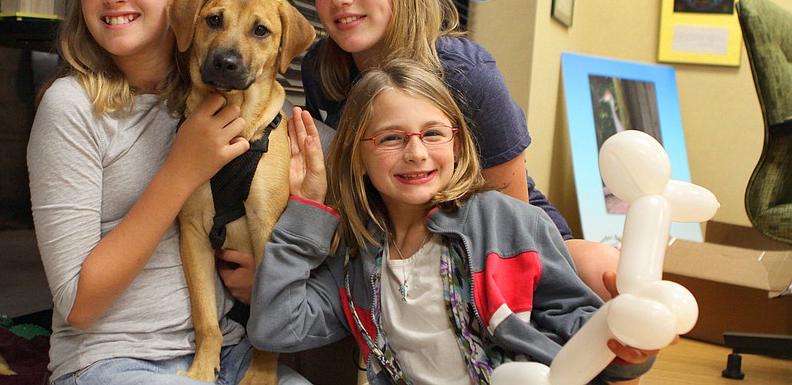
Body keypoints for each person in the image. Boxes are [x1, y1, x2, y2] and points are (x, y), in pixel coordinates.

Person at [28, 0, 311, 385]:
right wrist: (182, 170)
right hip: (114, 358)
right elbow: (77, 304)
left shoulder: (213, 103)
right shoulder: (71, 107)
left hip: (232, 350)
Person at [248, 58, 663, 384]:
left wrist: (626, 338)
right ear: (357, 156)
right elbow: (275, 327)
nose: (416, 153)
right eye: (392, 138)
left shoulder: (511, 223)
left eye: (432, 134)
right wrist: (305, 214)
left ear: (457, 143)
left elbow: (576, 325)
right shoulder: (356, 255)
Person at [289, 0, 620, 300]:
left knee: (606, 277)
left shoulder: (465, 72)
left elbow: (510, 214)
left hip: (496, 241)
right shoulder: (321, 68)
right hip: (386, 240)